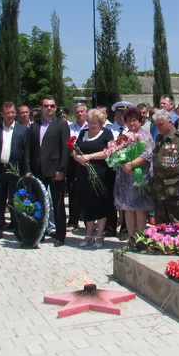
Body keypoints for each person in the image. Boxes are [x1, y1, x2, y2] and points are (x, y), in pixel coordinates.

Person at [27, 97, 70, 246]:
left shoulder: (61, 125)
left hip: (54, 170)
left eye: (52, 106)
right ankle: (40, 232)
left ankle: (60, 235)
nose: (49, 108)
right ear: (41, 107)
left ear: (56, 107)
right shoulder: (34, 126)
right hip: (37, 170)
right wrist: (28, 170)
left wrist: (61, 169)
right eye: (46, 106)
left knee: (58, 204)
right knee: (38, 203)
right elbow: (28, 149)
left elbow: (65, 149)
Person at [0, 101, 30, 241]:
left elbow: (27, 152)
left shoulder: (23, 130)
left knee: (16, 201)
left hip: (15, 171)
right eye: (7, 113)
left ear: (15, 113)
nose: (10, 115)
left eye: (12, 112)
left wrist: (26, 171)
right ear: (2, 114)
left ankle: (18, 230)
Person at [70, 108, 114, 248]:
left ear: (101, 122)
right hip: (83, 173)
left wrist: (91, 156)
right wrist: (78, 158)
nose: (91, 125)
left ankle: (100, 235)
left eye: (95, 122)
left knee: (100, 203)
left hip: (100, 173)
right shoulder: (83, 133)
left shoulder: (107, 133)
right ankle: (88, 234)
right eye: (89, 122)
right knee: (86, 203)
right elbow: (75, 149)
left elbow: (110, 151)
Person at [112, 107, 154, 238]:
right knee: (128, 208)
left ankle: (140, 237)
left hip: (140, 176)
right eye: (129, 121)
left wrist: (131, 164)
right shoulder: (125, 137)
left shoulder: (145, 135)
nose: (132, 123)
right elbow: (116, 152)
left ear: (140, 121)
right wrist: (122, 163)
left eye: (134, 120)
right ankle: (131, 237)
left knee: (140, 208)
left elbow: (147, 153)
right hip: (125, 178)